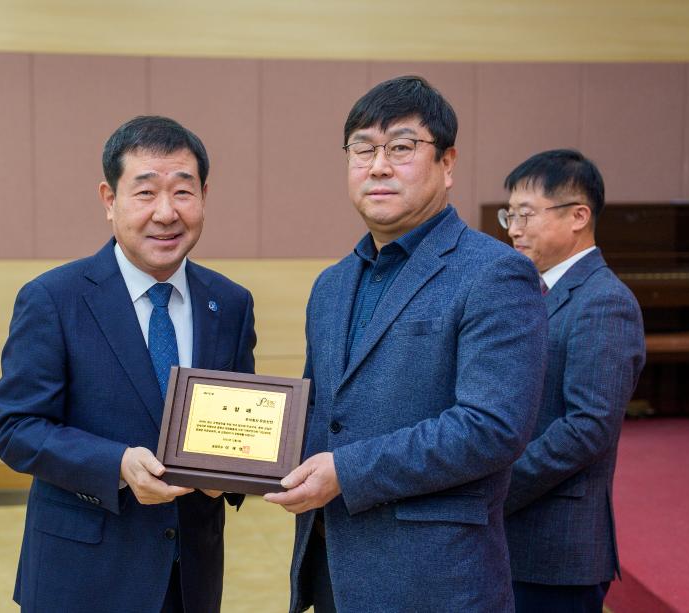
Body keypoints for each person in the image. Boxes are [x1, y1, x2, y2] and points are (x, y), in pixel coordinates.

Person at [263, 75, 548, 612]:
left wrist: (347, 472)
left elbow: (491, 427)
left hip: (433, 580)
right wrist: (231, 462)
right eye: (362, 149)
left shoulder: (495, 273)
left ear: (447, 163)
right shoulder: (331, 285)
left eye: (401, 147)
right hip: (332, 571)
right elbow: (322, 412)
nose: (378, 166)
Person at [0, 115, 256, 613]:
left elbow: (237, 422)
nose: (166, 213)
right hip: (83, 576)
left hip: (190, 578)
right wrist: (116, 464)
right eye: (145, 193)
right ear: (109, 200)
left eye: (183, 192)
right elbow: (17, 429)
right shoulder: (53, 298)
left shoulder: (230, 303)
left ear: (204, 197)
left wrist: (233, 472)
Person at [500, 149, 645, 613]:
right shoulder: (534, 290)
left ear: (578, 216)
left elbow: (588, 428)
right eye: (510, 215)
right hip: (514, 539)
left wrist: (497, 487)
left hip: (557, 548)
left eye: (526, 214)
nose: (513, 228)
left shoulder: (604, 302)